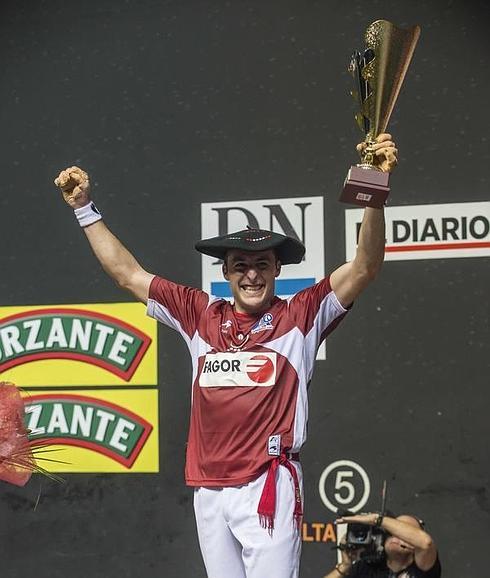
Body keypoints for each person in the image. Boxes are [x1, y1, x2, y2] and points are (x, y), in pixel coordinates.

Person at [54, 133, 397, 578]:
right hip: (208, 491)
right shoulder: (198, 313)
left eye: (261, 265)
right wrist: (83, 208)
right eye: (240, 265)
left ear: (277, 270)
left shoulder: (301, 315)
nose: (251, 274)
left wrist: (374, 186)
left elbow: (365, 266)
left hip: (267, 487)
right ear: (226, 272)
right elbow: (127, 274)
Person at [324, 512, 441, 578]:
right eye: (392, 531)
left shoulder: (422, 570)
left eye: (403, 532)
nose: (396, 535)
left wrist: (377, 520)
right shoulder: (367, 568)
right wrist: (344, 567)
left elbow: (425, 543)